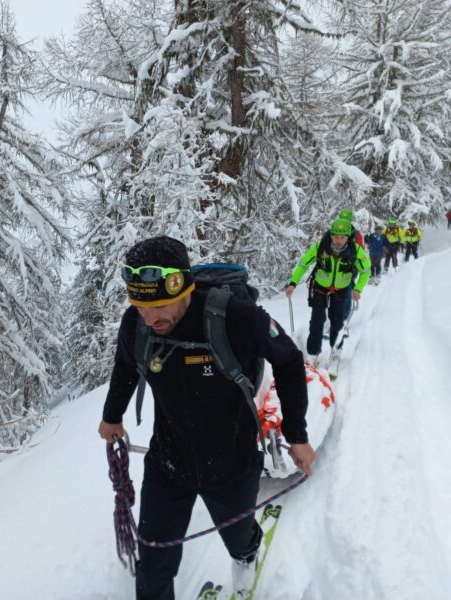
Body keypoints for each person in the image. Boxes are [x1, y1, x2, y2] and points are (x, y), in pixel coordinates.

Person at [98, 236, 315, 600]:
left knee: (239, 537)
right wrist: (111, 415)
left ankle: (247, 555)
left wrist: (297, 435)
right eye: (139, 306)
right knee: (152, 567)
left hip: (233, 463)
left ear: (185, 287)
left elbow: (290, 360)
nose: (149, 318)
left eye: (159, 306)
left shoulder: (236, 318)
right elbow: (125, 365)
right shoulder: (136, 324)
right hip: (168, 464)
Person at [285, 219, 371, 361]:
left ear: (348, 237)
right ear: (331, 235)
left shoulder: (355, 250)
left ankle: (336, 350)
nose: (339, 240)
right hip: (320, 287)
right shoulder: (321, 247)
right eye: (336, 236)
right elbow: (303, 263)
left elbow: (366, 270)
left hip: (342, 289)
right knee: (317, 320)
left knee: (337, 322)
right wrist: (293, 283)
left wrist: (358, 289)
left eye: (342, 237)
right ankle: (313, 353)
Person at [337, 209, 365, 321]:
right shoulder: (334, 232)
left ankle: (343, 318)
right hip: (337, 265)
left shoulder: (356, 234)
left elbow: (361, 250)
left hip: (351, 265)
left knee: (346, 289)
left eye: (346, 221)